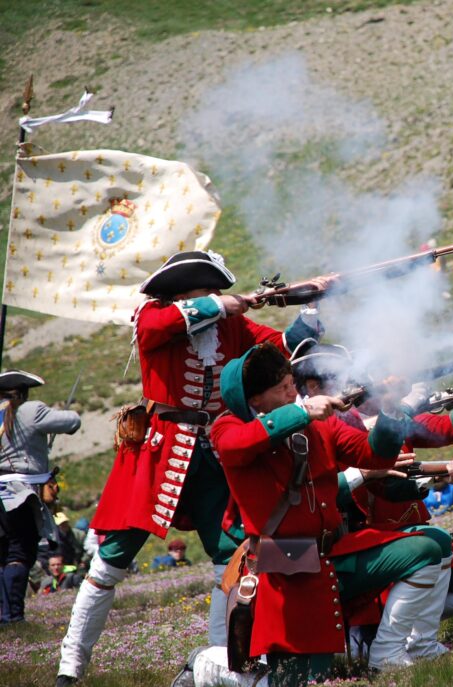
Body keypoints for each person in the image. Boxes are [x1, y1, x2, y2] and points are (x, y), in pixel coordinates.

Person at [57, 251, 330, 686]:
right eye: (207, 291)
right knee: (110, 562)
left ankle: (223, 660)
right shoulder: (154, 315)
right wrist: (222, 304)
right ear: (184, 295)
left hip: (215, 452)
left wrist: (314, 306)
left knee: (232, 556)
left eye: (217, 292)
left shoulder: (230, 325)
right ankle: (70, 667)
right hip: (159, 452)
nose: (216, 297)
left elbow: (279, 348)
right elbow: (153, 328)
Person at [211, 343, 447, 680]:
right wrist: (304, 411)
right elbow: (238, 444)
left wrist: (394, 411)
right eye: (282, 388)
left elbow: (374, 455)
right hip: (284, 564)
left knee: (425, 549)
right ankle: (207, 667)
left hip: (327, 556)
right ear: (255, 401)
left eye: (291, 383)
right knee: (295, 677)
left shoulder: (321, 426)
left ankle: (389, 652)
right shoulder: (229, 428)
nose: (292, 391)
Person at [0, 370, 81, 624]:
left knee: (3, 556)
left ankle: (4, 615)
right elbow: (72, 422)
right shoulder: (30, 410)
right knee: (19, 554)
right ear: (22, 392)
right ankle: (13, 616)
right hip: (20, 495)